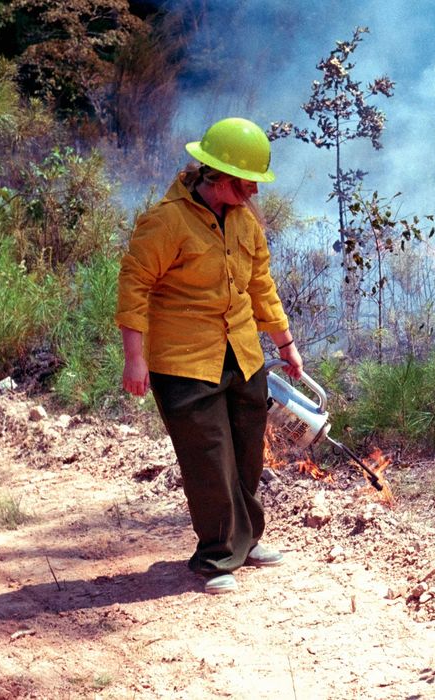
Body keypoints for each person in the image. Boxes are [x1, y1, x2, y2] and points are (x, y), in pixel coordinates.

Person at [115, 117, 303, 595]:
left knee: (245, 454)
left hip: (241, 353)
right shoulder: (166, 220)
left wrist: (286, 345)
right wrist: (134, 359)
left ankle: (245, 539)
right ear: (218, 176)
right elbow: (134, 287)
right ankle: (215, 556)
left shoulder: (244, 222)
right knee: (209, 459)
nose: (254, 194)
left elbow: (262, 286)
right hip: (183, 361)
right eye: (247, 184)